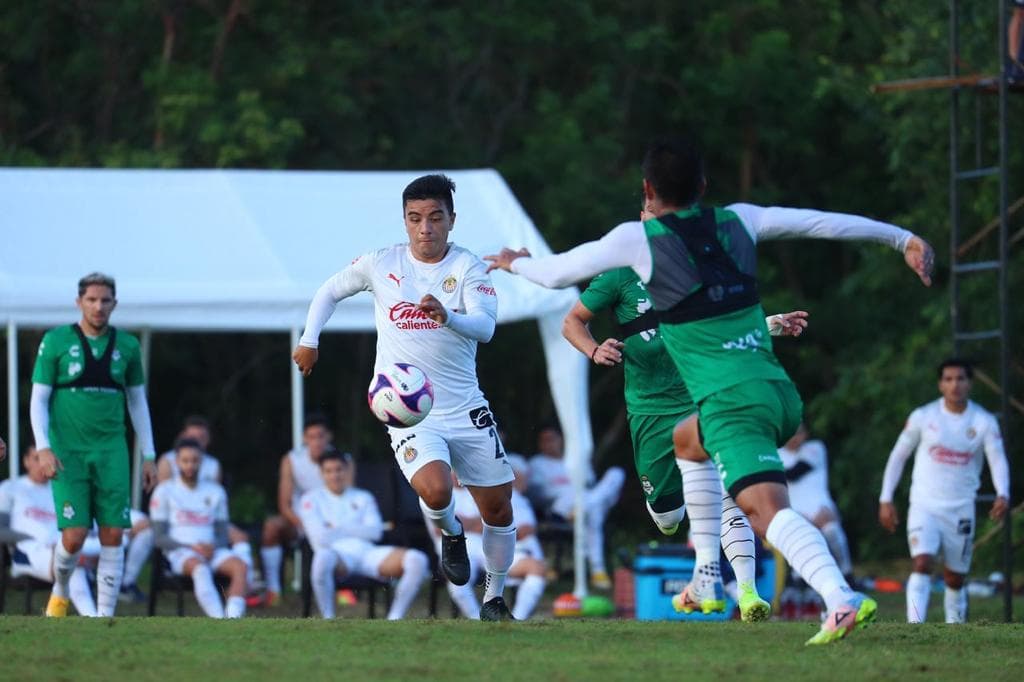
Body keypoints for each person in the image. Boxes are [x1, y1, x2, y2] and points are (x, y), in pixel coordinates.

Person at [485, 134, 935, 644]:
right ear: (702, 185)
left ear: (647, 189)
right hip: (777, 393)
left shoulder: (638, 241)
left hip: (732, 405)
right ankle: (706, 578)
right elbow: (819, 222)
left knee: (765, 513)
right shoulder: (739, 219)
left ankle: (841, 598)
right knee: (687, 442)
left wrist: (515, 262)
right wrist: (902, 238)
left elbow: (554, 273)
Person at [293, 174, 518, 621]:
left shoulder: (468, 267)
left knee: (498, 507)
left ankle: (494, 598)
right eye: (415, 218)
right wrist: (309, 339)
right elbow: (330, 290)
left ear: (452, 220)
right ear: (404, 220)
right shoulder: (382, 263)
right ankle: (451, 532)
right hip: (410, 411)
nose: (425, 228)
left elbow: (485, 328)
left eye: (435, 218)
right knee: (435, 489)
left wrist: (448, 316)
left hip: (465, 406)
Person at [562, 235, 808, 618]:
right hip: (650, 413)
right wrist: (594, 349)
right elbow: (571, 321)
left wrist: (770, 324)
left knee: (729, 495)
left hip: (699, 398)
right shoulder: (619, 274)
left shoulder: (698, 271)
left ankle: (747, 593)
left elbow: (723, 327)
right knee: (668, 519)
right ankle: (707, 580)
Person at [29, 272, 158, 618]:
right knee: (74, 535)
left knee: (114, 532)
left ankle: (104, 618)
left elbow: (137, 401)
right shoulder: (56, 341)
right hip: (68, 453)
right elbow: (38, 399)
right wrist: (43, 447)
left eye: (105, 300)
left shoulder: (127, 346)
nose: (98, 306)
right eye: (91, 300)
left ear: (115, 304)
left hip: (111, 451)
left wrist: (149, 454)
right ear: (79, 302)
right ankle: (60, 589)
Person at [878, 358, 1009, 624]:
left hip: (961, 507)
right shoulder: (923, 417)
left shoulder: (983, 421)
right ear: (940, 385)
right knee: (922, 563)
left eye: (960, 379)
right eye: (948, 379)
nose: (954, 385)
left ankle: (954, 628)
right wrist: (885, 498)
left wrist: (1002, 493)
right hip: (924, 504)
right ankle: (914, 624)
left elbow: (997, 459)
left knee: (955, 577)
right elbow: (898, 456)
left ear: (969, 383)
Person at [299, 449, 429, 620]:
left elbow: (375, 532)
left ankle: (395, 618)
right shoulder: (310, 499)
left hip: (367, 553)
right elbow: (319, 537)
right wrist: (358, 528)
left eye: (338, 470)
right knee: (322, 558)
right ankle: (328, 618)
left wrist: (336, 527)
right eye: (329, 471)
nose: (335, 475)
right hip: (337, 556)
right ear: (321, 473)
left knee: (417, 560)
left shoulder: (363, 497)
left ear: (346, 470)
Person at [429, 469, 547, 621]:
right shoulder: (438, 494)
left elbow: (503, 523)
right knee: (458, 574)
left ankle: (518, 619)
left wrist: (469, 522)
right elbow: (442, 527)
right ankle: (476, 619)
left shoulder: (481, 491)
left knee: (536, 568)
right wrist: (480, 522)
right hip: (456, 549)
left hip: (489, 547)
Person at [150, 437, 249, 618]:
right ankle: (219, 620)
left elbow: (222, 533)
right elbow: (158, 537)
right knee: (200, 568)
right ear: (177, 462)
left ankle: (233, 619)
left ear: (201, 461)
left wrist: (213, 546)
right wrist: (191, 547)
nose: (190, 465)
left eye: (195, 460)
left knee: (241, 567)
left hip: (212, 550)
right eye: (185, 460)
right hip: (181, 551)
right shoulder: (164, 491)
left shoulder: (216, 491)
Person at [156, 414, 256, 593]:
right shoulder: (167, 460)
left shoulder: (213, 464)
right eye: (193, 436)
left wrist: (213, 542)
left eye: (201, 437)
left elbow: (213, 503)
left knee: (240, 537)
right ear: (183, 435)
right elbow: (165, 500)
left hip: (205, 518)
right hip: (179, 519)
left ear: (208, 440)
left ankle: (244, 584)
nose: (197, 440)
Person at [0, 445, 97, 616]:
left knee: (83, 553)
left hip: (63, 545)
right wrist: (26, 538)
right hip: (29, 550)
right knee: (72, 561)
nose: (42, 463)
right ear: (26, 461)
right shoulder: (10, 488)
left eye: (46, 458)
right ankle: (94, 617)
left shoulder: (61, 488)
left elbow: (85, 526)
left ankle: (92, 617)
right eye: (36, 458)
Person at [527, 424, 624, 590]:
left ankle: (583, 508)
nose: (548, 443)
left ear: (561, 440)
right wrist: (572, 492)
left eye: (551, 439)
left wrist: (582, 498)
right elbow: (539, 493)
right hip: (560, 509)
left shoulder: (574, 460)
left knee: (616, 474)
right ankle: (598, 570)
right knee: (590, 508)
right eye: (544, 440)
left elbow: (590, 484)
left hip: (581, 506)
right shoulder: (537, 463)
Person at [259, 412, 332, 604]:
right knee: (271, 527)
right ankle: (273, 590)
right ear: (304, 438)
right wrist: (306, 525)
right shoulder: (291, 460)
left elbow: (348, 500)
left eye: (321, 436)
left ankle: (344, 588)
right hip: (300, 522)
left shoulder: (342, 461)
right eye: (312, 437)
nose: (317, 442)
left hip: (332, 524)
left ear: (328, 437)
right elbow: (284, 505)